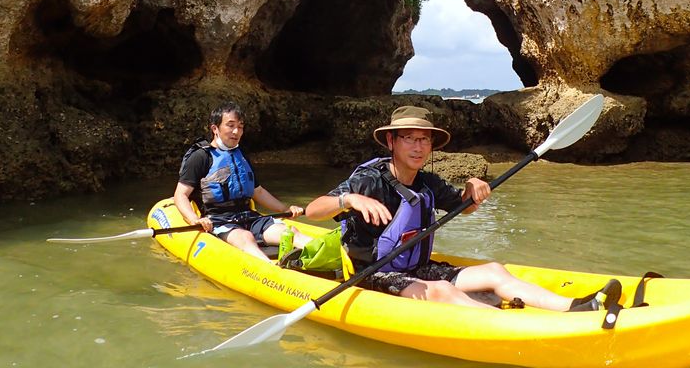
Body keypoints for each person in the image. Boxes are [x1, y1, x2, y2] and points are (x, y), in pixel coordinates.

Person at [304, 105, 620, 311]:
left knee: (495, 271)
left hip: (415, 268)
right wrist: (349, 200)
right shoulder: (369, 180)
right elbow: (313, 211)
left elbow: (464, 207)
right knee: (440, 290)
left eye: (424, 140)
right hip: (371, 275)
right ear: (391, 143)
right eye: (409, 139)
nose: (418, 147)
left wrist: (472, 188)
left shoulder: (427, 182)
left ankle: (577, 307)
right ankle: (517, 328)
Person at [174, 102, 311, 263]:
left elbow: (257, 191)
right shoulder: (201, 157)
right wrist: (194, 219)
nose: (236, 131)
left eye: (240, 126)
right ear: (215, 129)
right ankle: (272, 272)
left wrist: (285, 209)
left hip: (248, 216)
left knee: (290, 232)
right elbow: (180, 194)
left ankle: (329, 256)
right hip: (218, 220)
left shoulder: (241, 156)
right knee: (245, 237)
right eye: (230, 125)